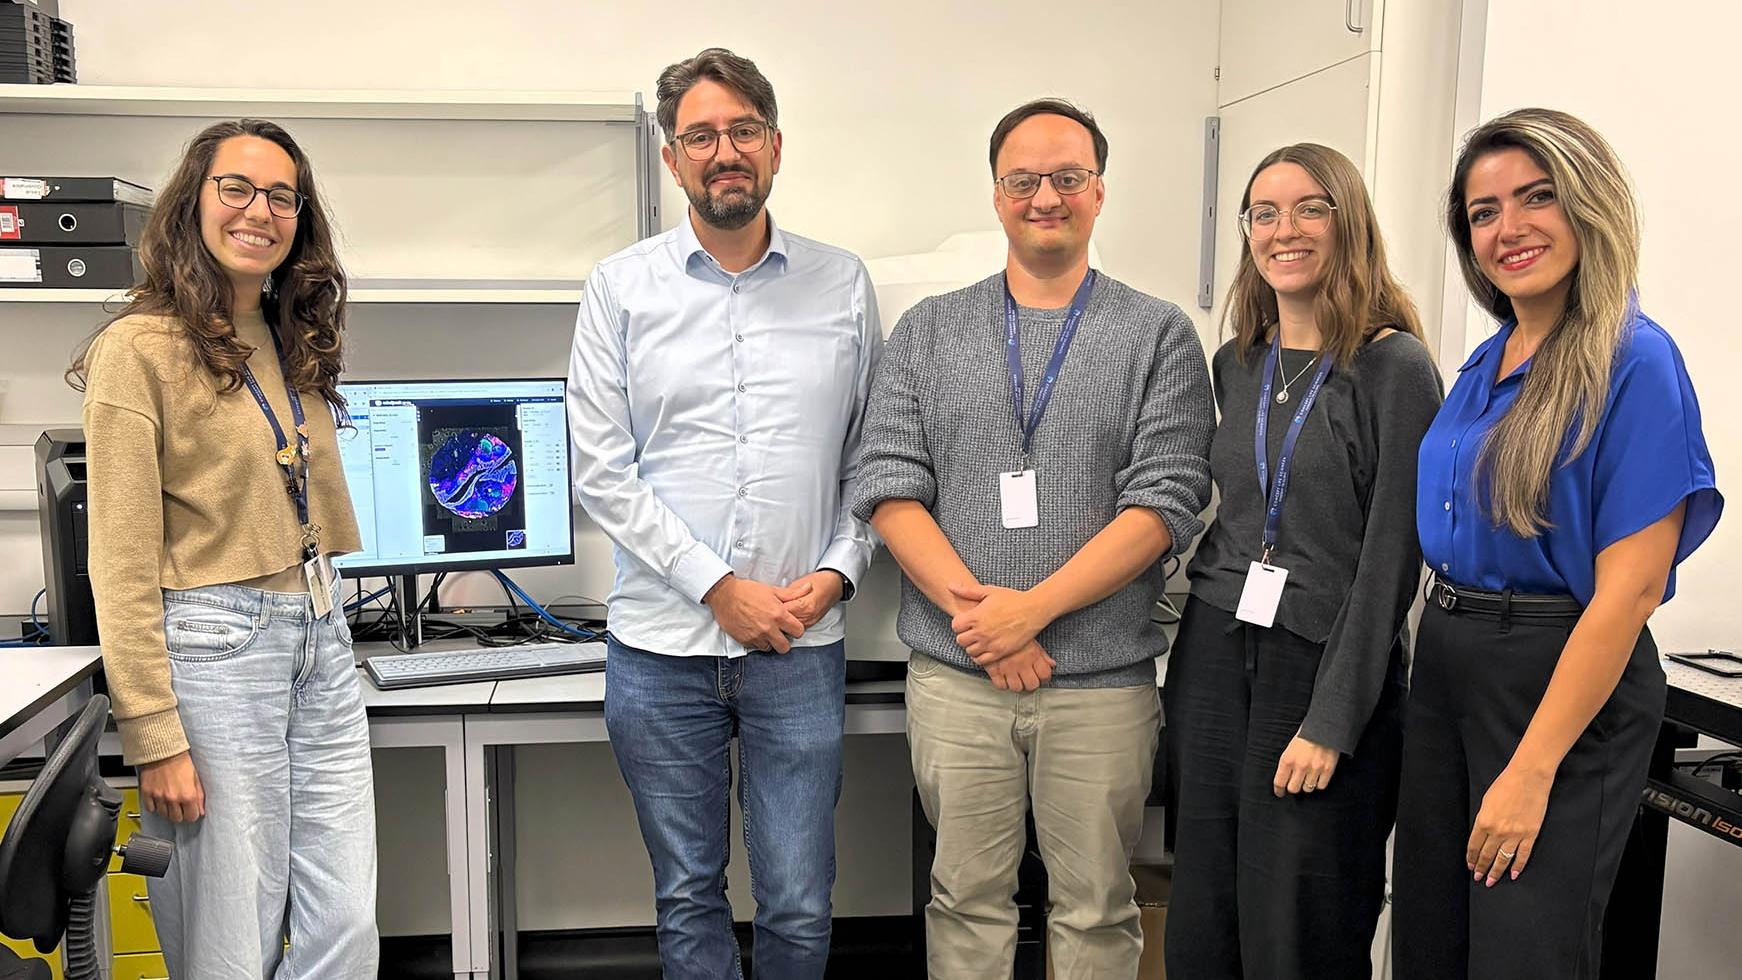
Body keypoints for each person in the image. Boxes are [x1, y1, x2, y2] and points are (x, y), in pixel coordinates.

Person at [851, 98, 1214, 979]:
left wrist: (1033, 614)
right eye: (1024, 180)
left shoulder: (1158, 333)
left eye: (1067, 178)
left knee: (1094, 911)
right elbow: (887, 486)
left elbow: (1165, 501)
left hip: (1100, 688)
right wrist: (985, 622)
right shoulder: (929, 330)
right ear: (996, 194)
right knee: (965, 904)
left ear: (1099, 193)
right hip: (957, 678)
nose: (1045, 196)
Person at [564, 47, 881, 979]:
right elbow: (601, 470)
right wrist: (719, 588)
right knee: (687, 896)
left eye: (743, 131)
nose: (724, 151)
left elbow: (876, 459)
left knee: (798, 901)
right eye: (700, 135)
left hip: (800, 646)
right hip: (662, 652)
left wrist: (834, 577)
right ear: (672, 160)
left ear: (776, 147)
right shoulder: (620, 289)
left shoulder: (843, 284)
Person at [1393, 107, 1722, 979]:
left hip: (1557, 671)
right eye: (1484, 211)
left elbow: (1629, 592)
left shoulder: (1635, 362)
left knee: (1522, 951)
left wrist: (1532, 769)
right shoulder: (1485, 362)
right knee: (1433, 939)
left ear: (1588, 204)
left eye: (1536, 197)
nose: (1510, 228)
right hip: (1449, 661)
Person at [71, 119, 376, 978]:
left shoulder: (291, 336)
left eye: (282, 195)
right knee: (232, 934)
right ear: (193, 204)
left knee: (346, 923)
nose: (259, 210)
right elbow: (120, 560)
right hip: (215, 645)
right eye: (235, 188)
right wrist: (154, 734)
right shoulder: (139, 349)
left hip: (320, 633)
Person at [1163, 143, 1442, 979]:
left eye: (1309, 208)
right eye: (1264, 212)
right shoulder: (1237, 362)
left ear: (1347, 220)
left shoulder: (1394, 367)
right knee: (1205, 912)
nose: (1284, 230)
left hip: (1323, 662)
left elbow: (1394, 561)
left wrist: (1332, 721)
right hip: (1214, 652)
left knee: (1299, 924)